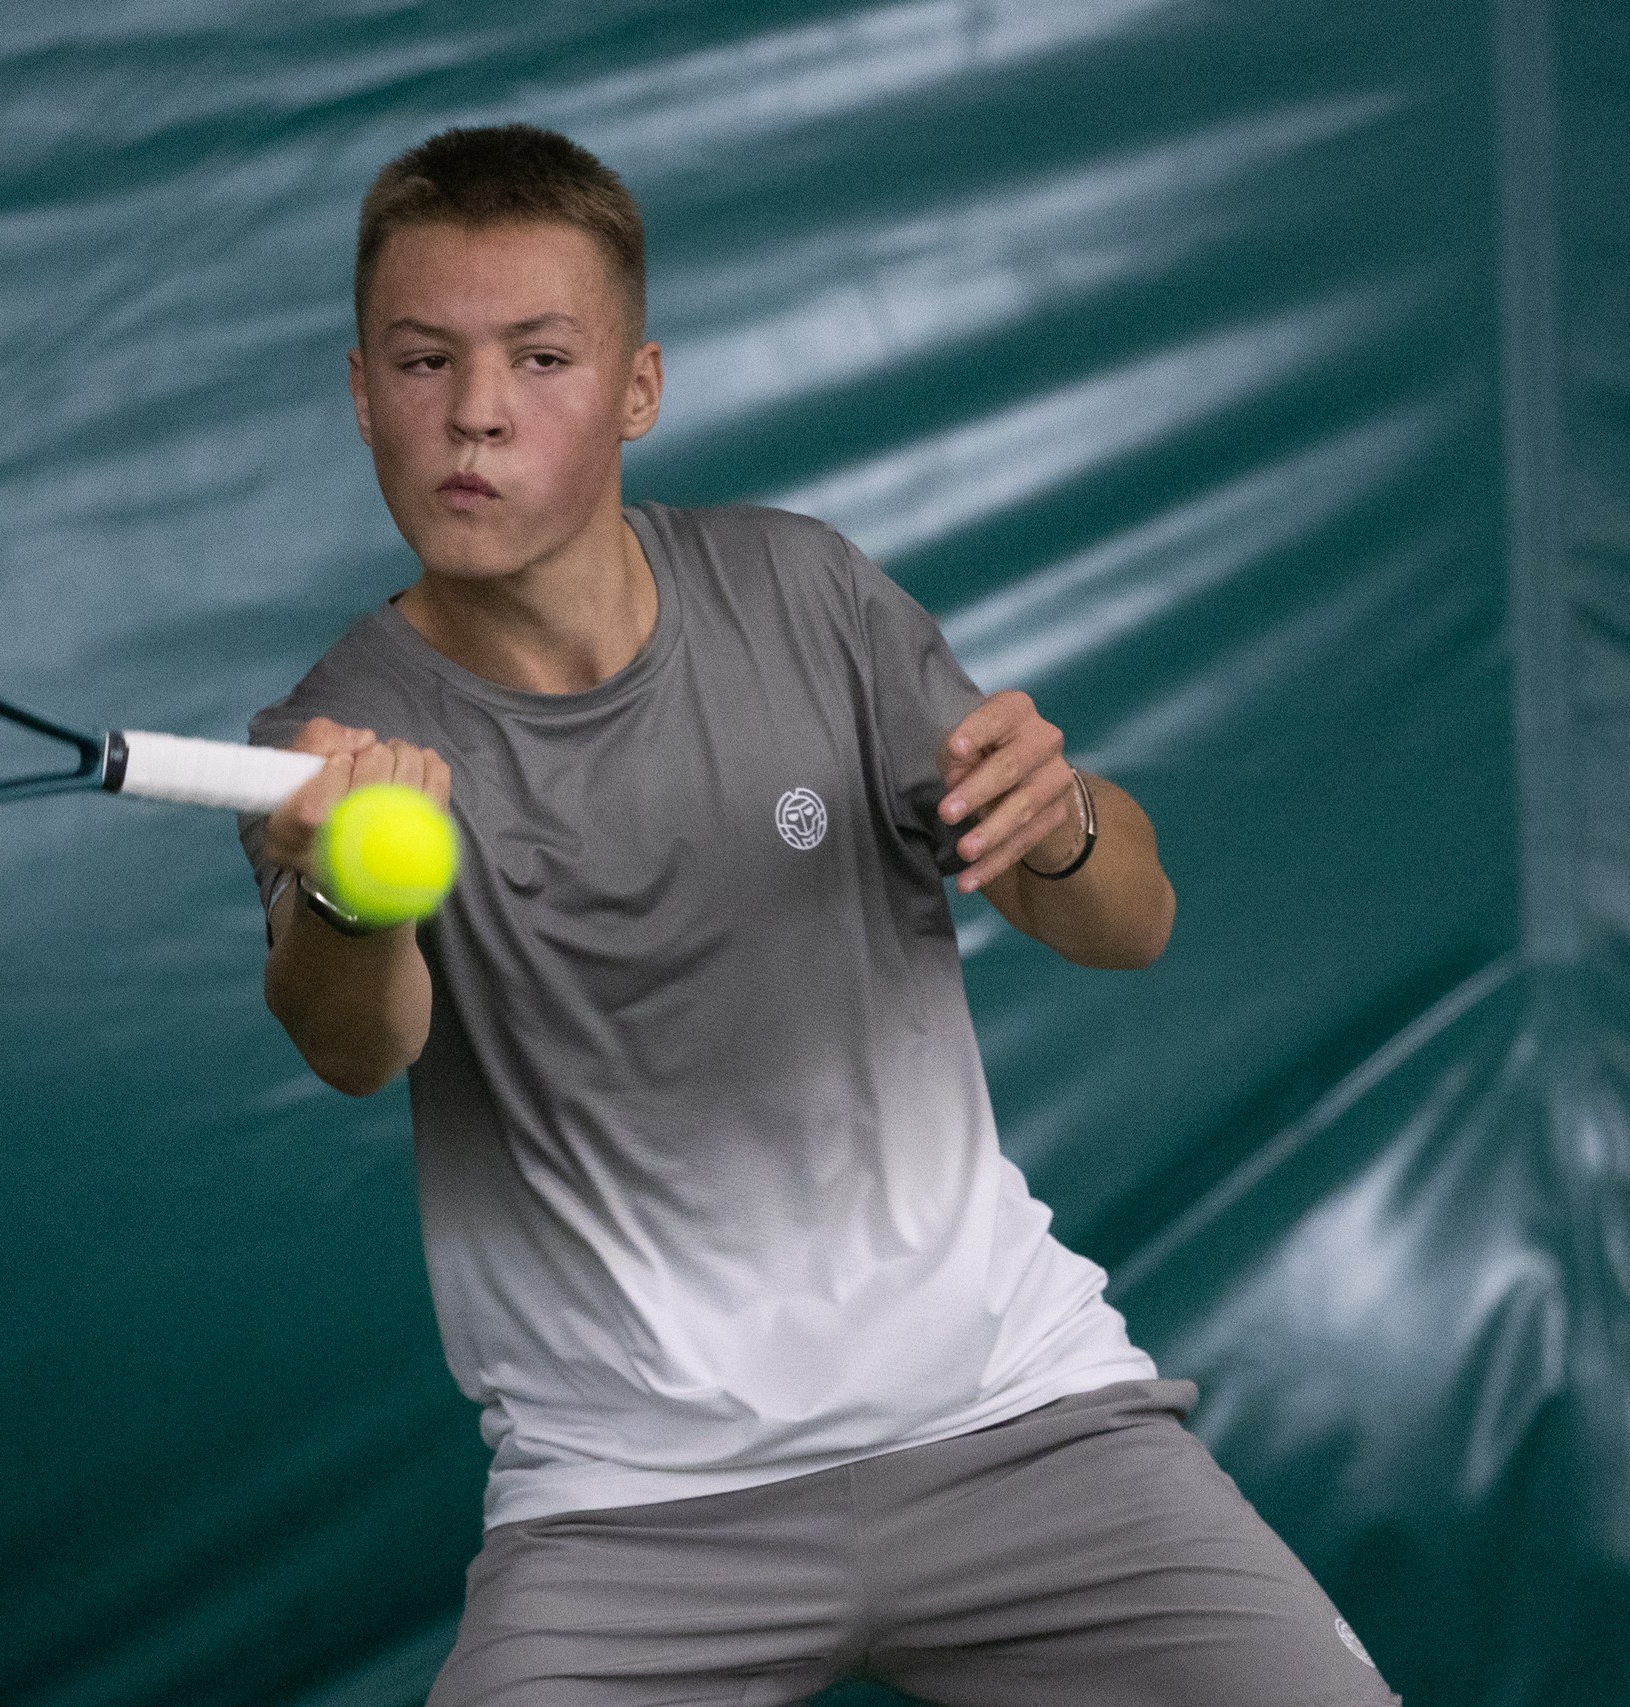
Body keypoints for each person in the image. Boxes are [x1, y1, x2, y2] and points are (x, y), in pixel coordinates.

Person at [239, 124, 1398, 1707]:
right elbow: (353, 1047)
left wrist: (1060, 820)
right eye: (424, 359)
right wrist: (354, 891)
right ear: (363, 391)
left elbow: (1129, 921)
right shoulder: (328, 737)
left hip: (1020, 1425)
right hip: (628, 1513)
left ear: (638, 390)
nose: (477, 412)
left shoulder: (807, 596)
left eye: (541, 357)